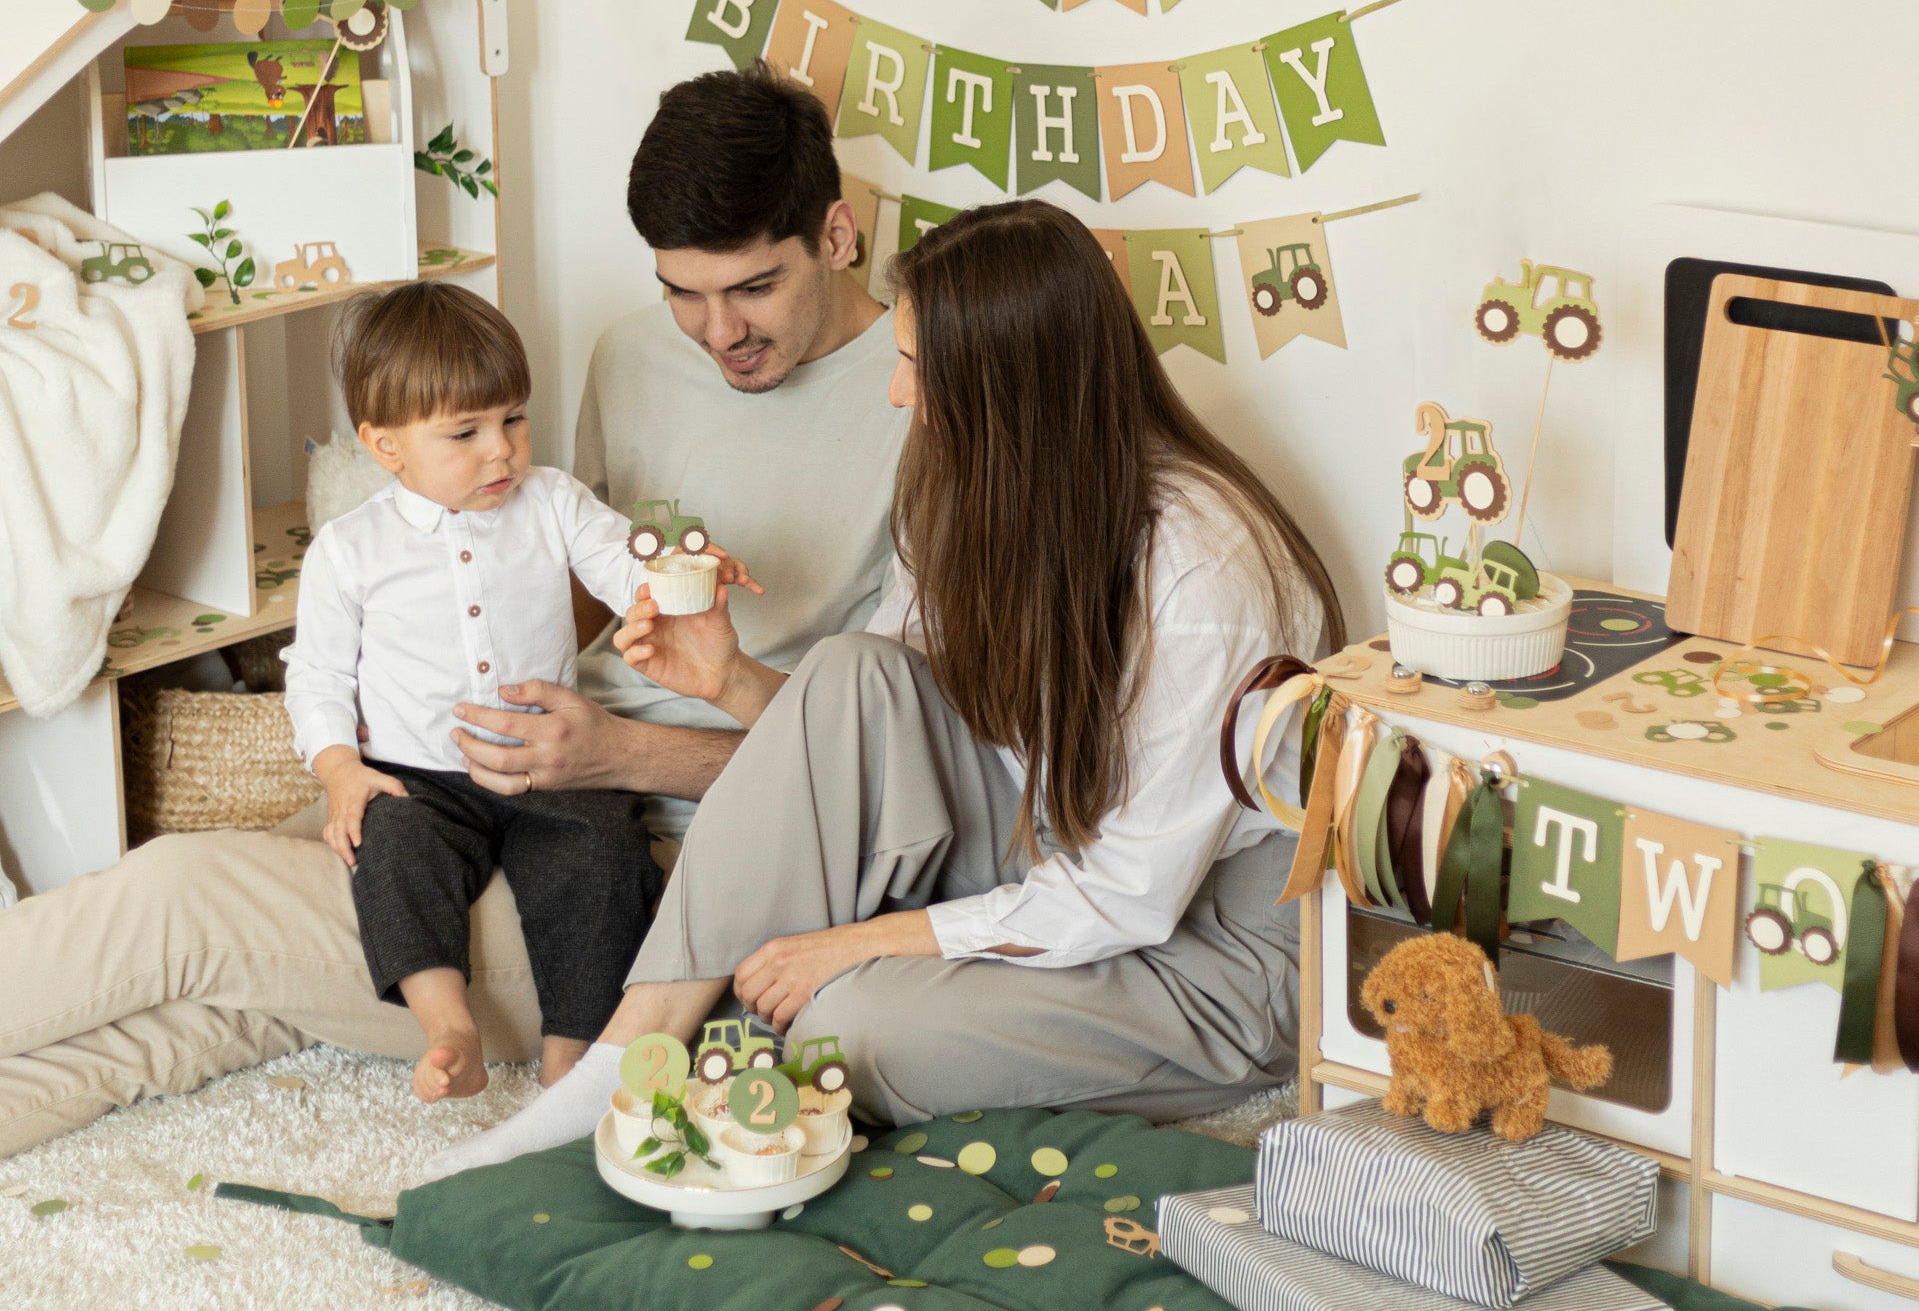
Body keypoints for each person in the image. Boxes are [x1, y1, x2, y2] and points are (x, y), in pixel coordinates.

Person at [0, 68, 905, 1156]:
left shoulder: (927, 403)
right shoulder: (634, 353)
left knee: (183, 900)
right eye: (683, 290)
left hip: (646, 873)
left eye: (752, 288)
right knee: (211, 1008)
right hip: (492, 773)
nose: (715, 332)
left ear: (839, 235)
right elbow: (566, 580)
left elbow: (900, 764)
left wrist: (616, 753)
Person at [419, 199, 1342, 1183]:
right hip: (1039, 849)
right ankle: (622, 1058)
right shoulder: (976, 489)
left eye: (914, 365)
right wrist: (727, 678)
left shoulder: (1202, 570)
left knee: (838, 1025)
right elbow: (862, 721)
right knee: (847, 666)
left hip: (1197, 949)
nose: (897, 393)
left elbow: (1128, 894)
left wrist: (851, 942)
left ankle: (673, 1056)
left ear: (1003, 386)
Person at [289, 281, 698, 1102]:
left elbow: (622, 561)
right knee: (388, 846)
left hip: (551, 765)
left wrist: (674, 582)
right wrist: (339, 772)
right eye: (465, 433)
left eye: (512, 418)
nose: (501, 450)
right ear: (386, 445)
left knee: (606, 852)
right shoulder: (350, 550)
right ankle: (450, 1028)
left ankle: (570, 1061)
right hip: (422, 779)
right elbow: (319, 674)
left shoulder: (551, 502)